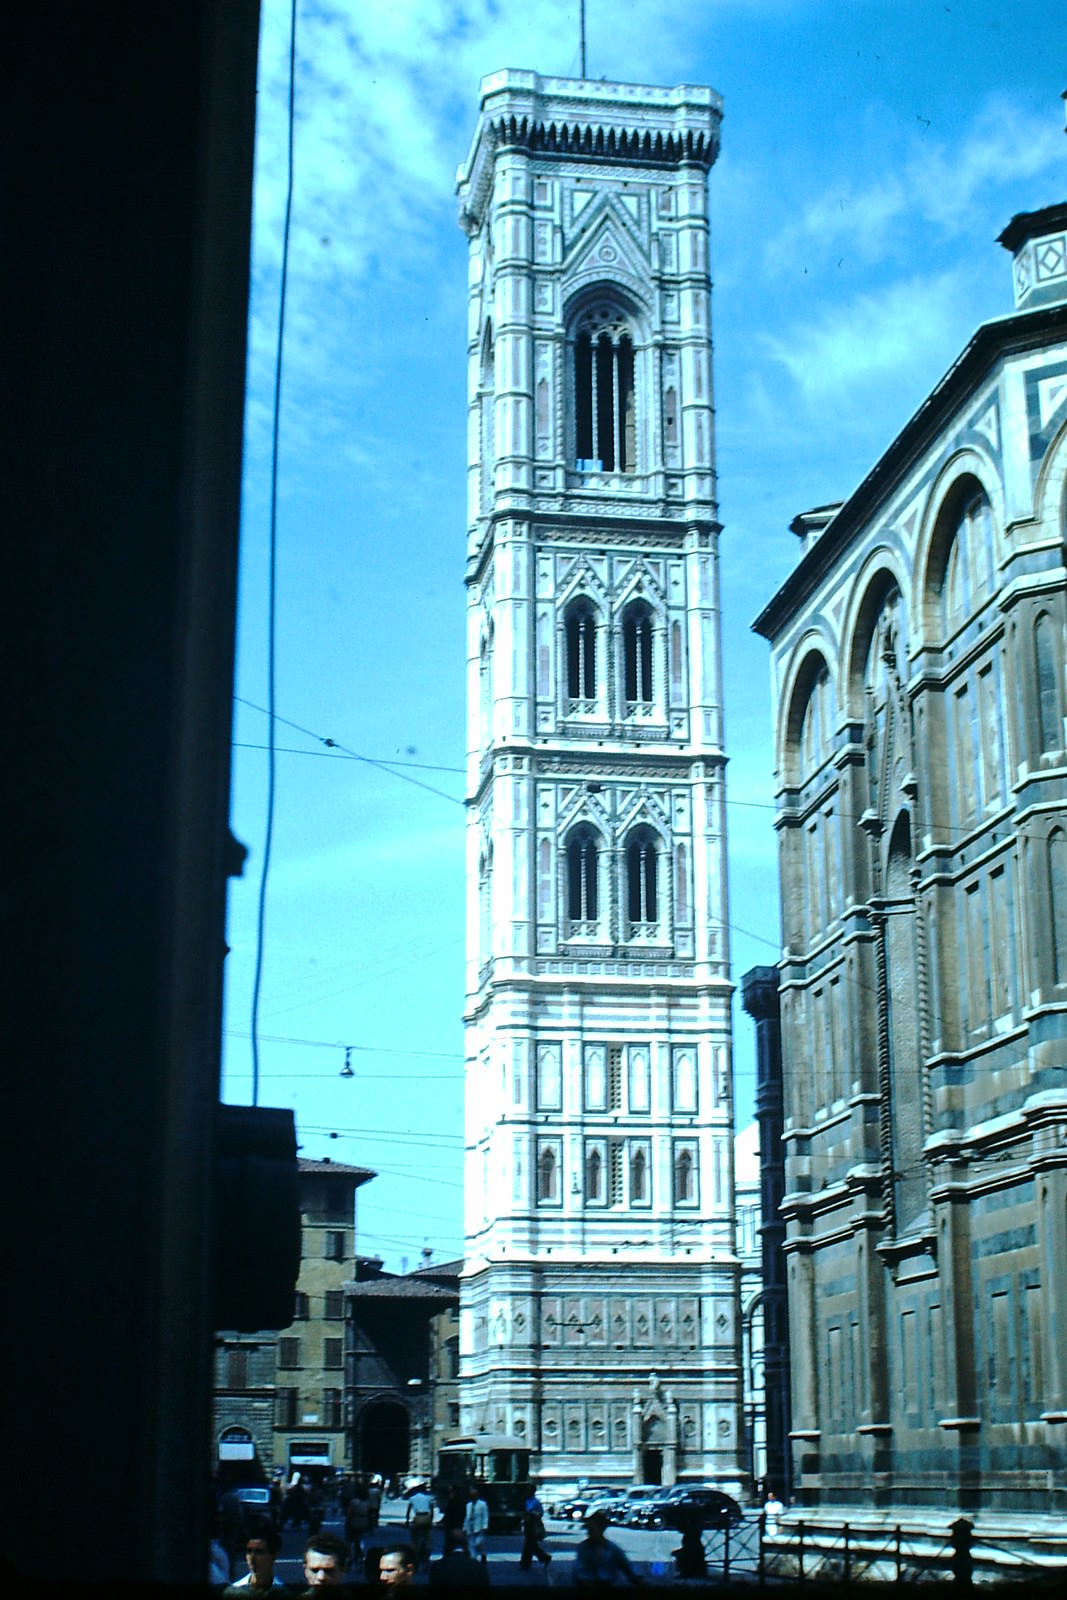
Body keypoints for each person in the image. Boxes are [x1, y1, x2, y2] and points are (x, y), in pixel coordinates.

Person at [573, 1509, 642, 1586]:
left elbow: (628, 1568)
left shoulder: (612, 1549)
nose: (589, 1533)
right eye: (588, 1530)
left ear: (601, 1529)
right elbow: (581, 1571)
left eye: (592, 1530)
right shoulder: (584, 1548)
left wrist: (638, 1581)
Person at [224, 1523, 287, 1592]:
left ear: (274, 1556)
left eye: (259, 1552)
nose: (252, 1558)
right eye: (249, 1552)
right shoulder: (234, 1591)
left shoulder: (283, 1592)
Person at [519, 1481, 551, 1571]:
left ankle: (525, 1563)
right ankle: (544, 1557)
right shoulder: (526, 1500)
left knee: (529, 1544)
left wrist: (533, 1513)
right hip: (527, 1524)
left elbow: (540, 1513)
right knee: (531, 1545)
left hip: (533, 1525)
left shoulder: (535, 1502)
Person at [405, 1481, 435, 1566]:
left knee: (414, 1538)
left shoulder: (413, 1498)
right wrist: (431, 1520)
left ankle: (415, 1552)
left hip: (418, 1518)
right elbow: (432, 1510)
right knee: (427, 1536)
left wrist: (407, 1520)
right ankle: (426, 1551)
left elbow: (408, 1510)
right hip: (426, 1518)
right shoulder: (429, 1497)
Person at [463, 1481, 489, 1565]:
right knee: (471, 1545)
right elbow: (466, 1517)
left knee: (479, 1543)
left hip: (479, 1526)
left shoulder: (482, 1504)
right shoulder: (468, 1505)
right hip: (470, 1527)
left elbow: (485, 1515)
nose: (473, 1497)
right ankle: (473, 1560)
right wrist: (464, 1527)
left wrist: (485, 1525)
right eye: (471, 1496)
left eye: (474, 1495)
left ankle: (483, 1554)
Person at [440, 1483, 466, 1556]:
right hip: (452, 1526)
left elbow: (452, 1514)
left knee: (451, 1543)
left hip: (454, 1526)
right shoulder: (456, 1501)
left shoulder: (456, 1501)